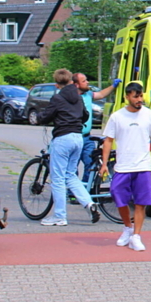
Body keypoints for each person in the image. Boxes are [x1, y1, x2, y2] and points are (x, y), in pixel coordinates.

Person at [98, 82, 151, 251]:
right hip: (123, 166)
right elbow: (108, 141)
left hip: (143, 165)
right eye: (135, 96)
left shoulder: (150, 116)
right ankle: (127, 227)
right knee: (117, 195)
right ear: (127, 97)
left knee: (141, 202)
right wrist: (104, 164)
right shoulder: (117, 117)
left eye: (141, 96)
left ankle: (136, 236)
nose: (139, 99)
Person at [38, 69, 99, 226]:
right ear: (72, 82)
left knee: (57, 178)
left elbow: (46, 116)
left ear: (57, 84)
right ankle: (89, 203)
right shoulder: (78, 98)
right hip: (78, 138)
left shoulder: (57, 98)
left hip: (63, 138)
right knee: (70, 175)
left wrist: (39, 118)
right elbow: (85, 115)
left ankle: (59, 216)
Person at [72, 73, 120, 187]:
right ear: (76, 85)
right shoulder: (71, 97)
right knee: (72, 167)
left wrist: (113, 86)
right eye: (84, 81)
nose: (87, 82)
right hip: (74, 137)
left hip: (86, 137)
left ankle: (84, 189)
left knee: (91, 164)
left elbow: (101, 94)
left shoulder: (88, 94)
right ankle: (72, 192)